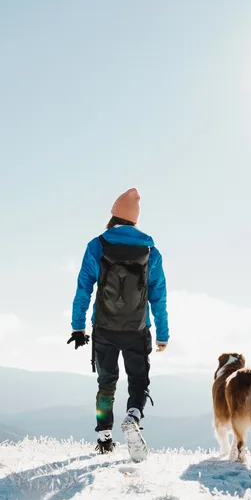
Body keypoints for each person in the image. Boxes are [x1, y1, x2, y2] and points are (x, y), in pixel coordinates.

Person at [67, 187, 169, 461]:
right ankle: (133, 416)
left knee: (106, 382)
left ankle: (104, 437)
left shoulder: (97, 245)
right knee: (138, 380)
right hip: (137, 328)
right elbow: (158, 294)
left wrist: (78, 327)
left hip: (104, 327)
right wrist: (163, 334)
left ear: (112, 216)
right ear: (135, 219)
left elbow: (83, 288)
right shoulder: (150, 251)